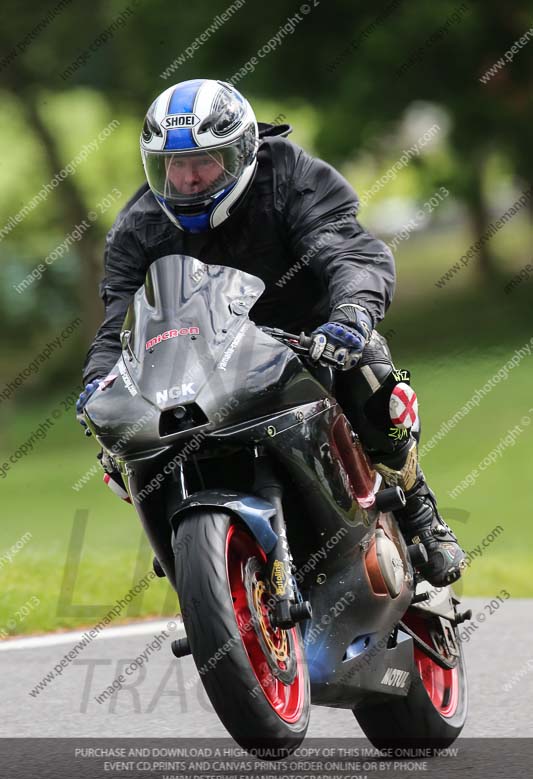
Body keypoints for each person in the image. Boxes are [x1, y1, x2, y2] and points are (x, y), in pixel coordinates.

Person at [78, 78, 465, 587]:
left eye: (204, 162)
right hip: (199, 363)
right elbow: (116, 326)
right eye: (174, 165)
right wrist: (99, 384)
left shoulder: (290, 176)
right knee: (122, 439)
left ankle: (419, 514)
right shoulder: (138, 225)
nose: (189, 180)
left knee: (371, 373)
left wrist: (350, 314)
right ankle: (185, 537)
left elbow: (349, 251)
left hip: (311, 339)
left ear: (241, 153)